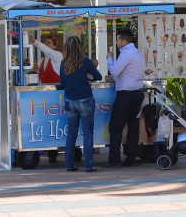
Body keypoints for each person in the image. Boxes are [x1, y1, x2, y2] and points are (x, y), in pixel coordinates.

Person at [60, 36, 102, 172]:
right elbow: (98, 76)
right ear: (80, 48)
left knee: (71, 133)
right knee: (87, 133)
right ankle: (88, 165)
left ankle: (69, 164)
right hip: (84, 99)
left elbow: (63, 83)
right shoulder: (84, 61)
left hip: (69, 101)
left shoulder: (64, 63)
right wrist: (88, 77)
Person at [106, 29, 145, 167]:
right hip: (137, 92)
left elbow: (115, 70)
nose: (116, 43)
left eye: (117, 40)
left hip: (126, 94)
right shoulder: (138, 53)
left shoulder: (126, 53)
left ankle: (114, 159)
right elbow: (126, 73)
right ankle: (131, 158)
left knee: (115, 127)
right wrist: (115, 77)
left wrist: (109, 59)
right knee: (133, 126)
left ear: (124, 41)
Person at [30, 34, 65, 163]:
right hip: (45, 97)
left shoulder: (58, 56)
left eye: (49, 43)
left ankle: (75, 151)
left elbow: (48, 51)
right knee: (49, 125)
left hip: (58, 94)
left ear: (55, 46)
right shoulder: (40, 61)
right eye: (46, 43)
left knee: (61, 123)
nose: (46, 45)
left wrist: (36, 42)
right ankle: (52, 153)